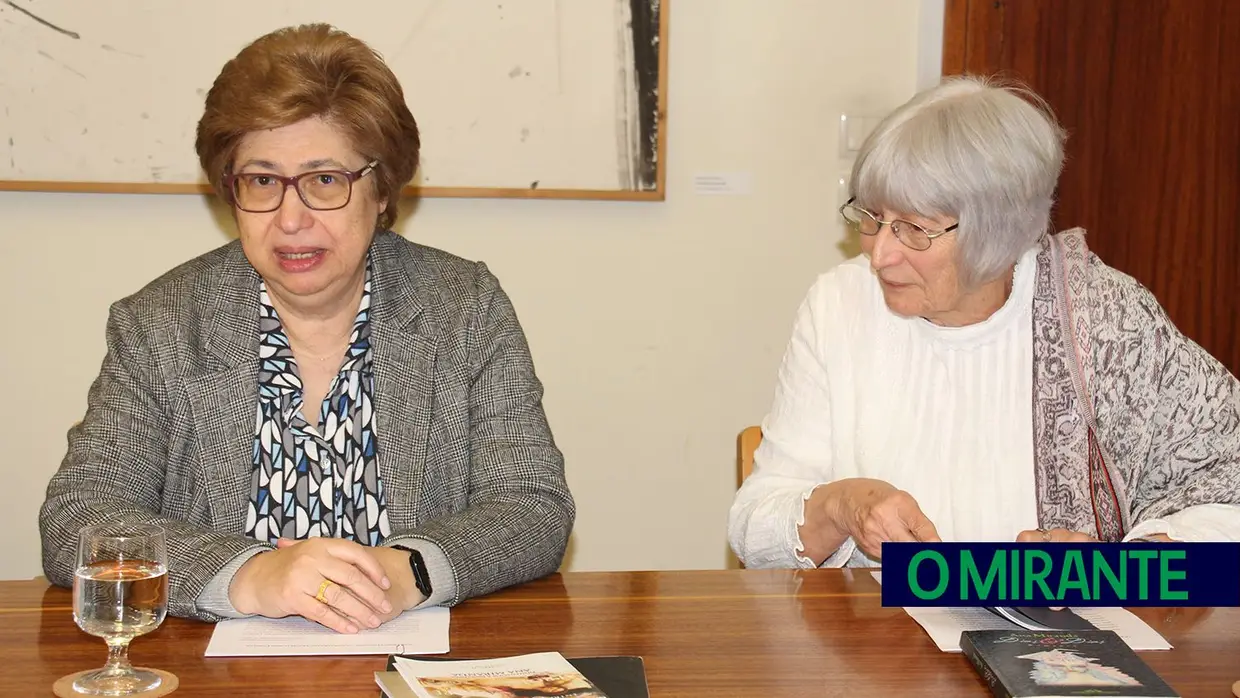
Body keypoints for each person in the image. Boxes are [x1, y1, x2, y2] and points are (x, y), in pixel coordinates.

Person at [39, 24, 575, 631]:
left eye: (325, 180)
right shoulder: (161, 323)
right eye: (263, 181)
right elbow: (80, 518)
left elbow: (531, 507)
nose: (291, 219)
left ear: (380, 190)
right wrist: (249, 573)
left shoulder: (463, 309)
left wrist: (408, 571)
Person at [728, 75, 1240, 569]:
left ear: (997, 233)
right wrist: (844, 506)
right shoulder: (839, 305)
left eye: (914, 229)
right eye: (871, 218)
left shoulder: (1107, 319)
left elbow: (1228, 481)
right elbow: (754, 529)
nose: (880, 254)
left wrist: (1132, 560)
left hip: (1058, 650)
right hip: (879, 649)